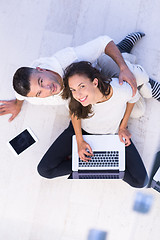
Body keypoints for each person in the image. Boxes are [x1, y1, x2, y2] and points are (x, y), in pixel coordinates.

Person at [37, 61, 148, 188]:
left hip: (112, 134)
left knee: (140, 181)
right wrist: (79, 141)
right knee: (44, 170)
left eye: (82, 86)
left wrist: (123, 127)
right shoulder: (75, 98)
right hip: (81, 132)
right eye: (73, 89)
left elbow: (133, 99)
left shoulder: (120, 90)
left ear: (95, 82)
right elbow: (75, 113)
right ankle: (91, 164)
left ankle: (95, 165)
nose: (78, 95)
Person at [0, 32, 150, 122]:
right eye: (39, 92)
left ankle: (127, 61)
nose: (47, 88)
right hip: (92, 92)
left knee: (135, 76)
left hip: (99, 70)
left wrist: (123, 68)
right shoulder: (32, 95)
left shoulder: (69, 58)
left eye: (41, 81)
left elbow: (103, 41)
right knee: (137, 112)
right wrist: (17, 105)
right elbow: (21, 94)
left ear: (41, 69)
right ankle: (123, 53)